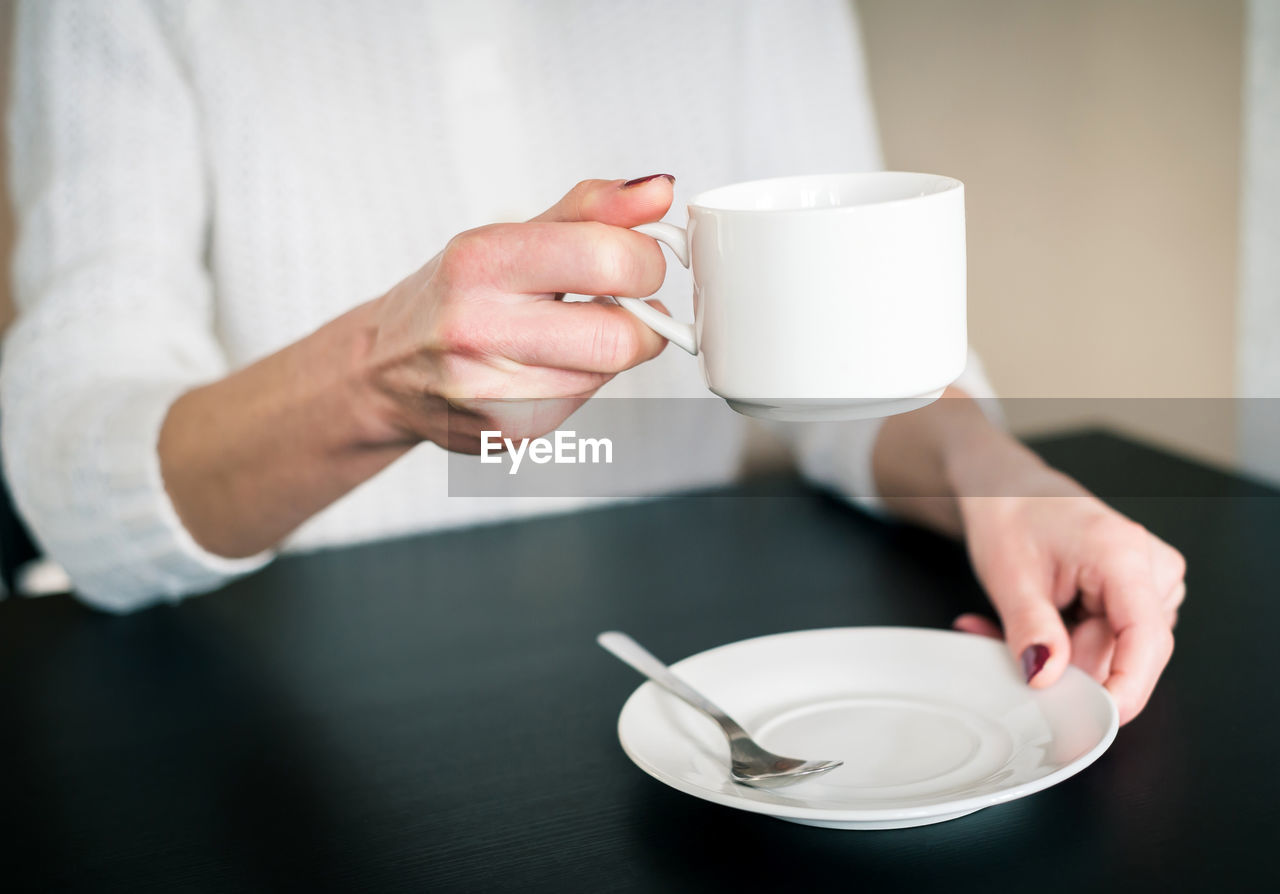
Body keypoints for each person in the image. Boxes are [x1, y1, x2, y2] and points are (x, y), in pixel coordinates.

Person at [1, 0, 1184, 725]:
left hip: (717, 686)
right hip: (275, 696)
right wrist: (369, 375)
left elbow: (836, 362)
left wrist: (995, 476)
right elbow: (73, 479)